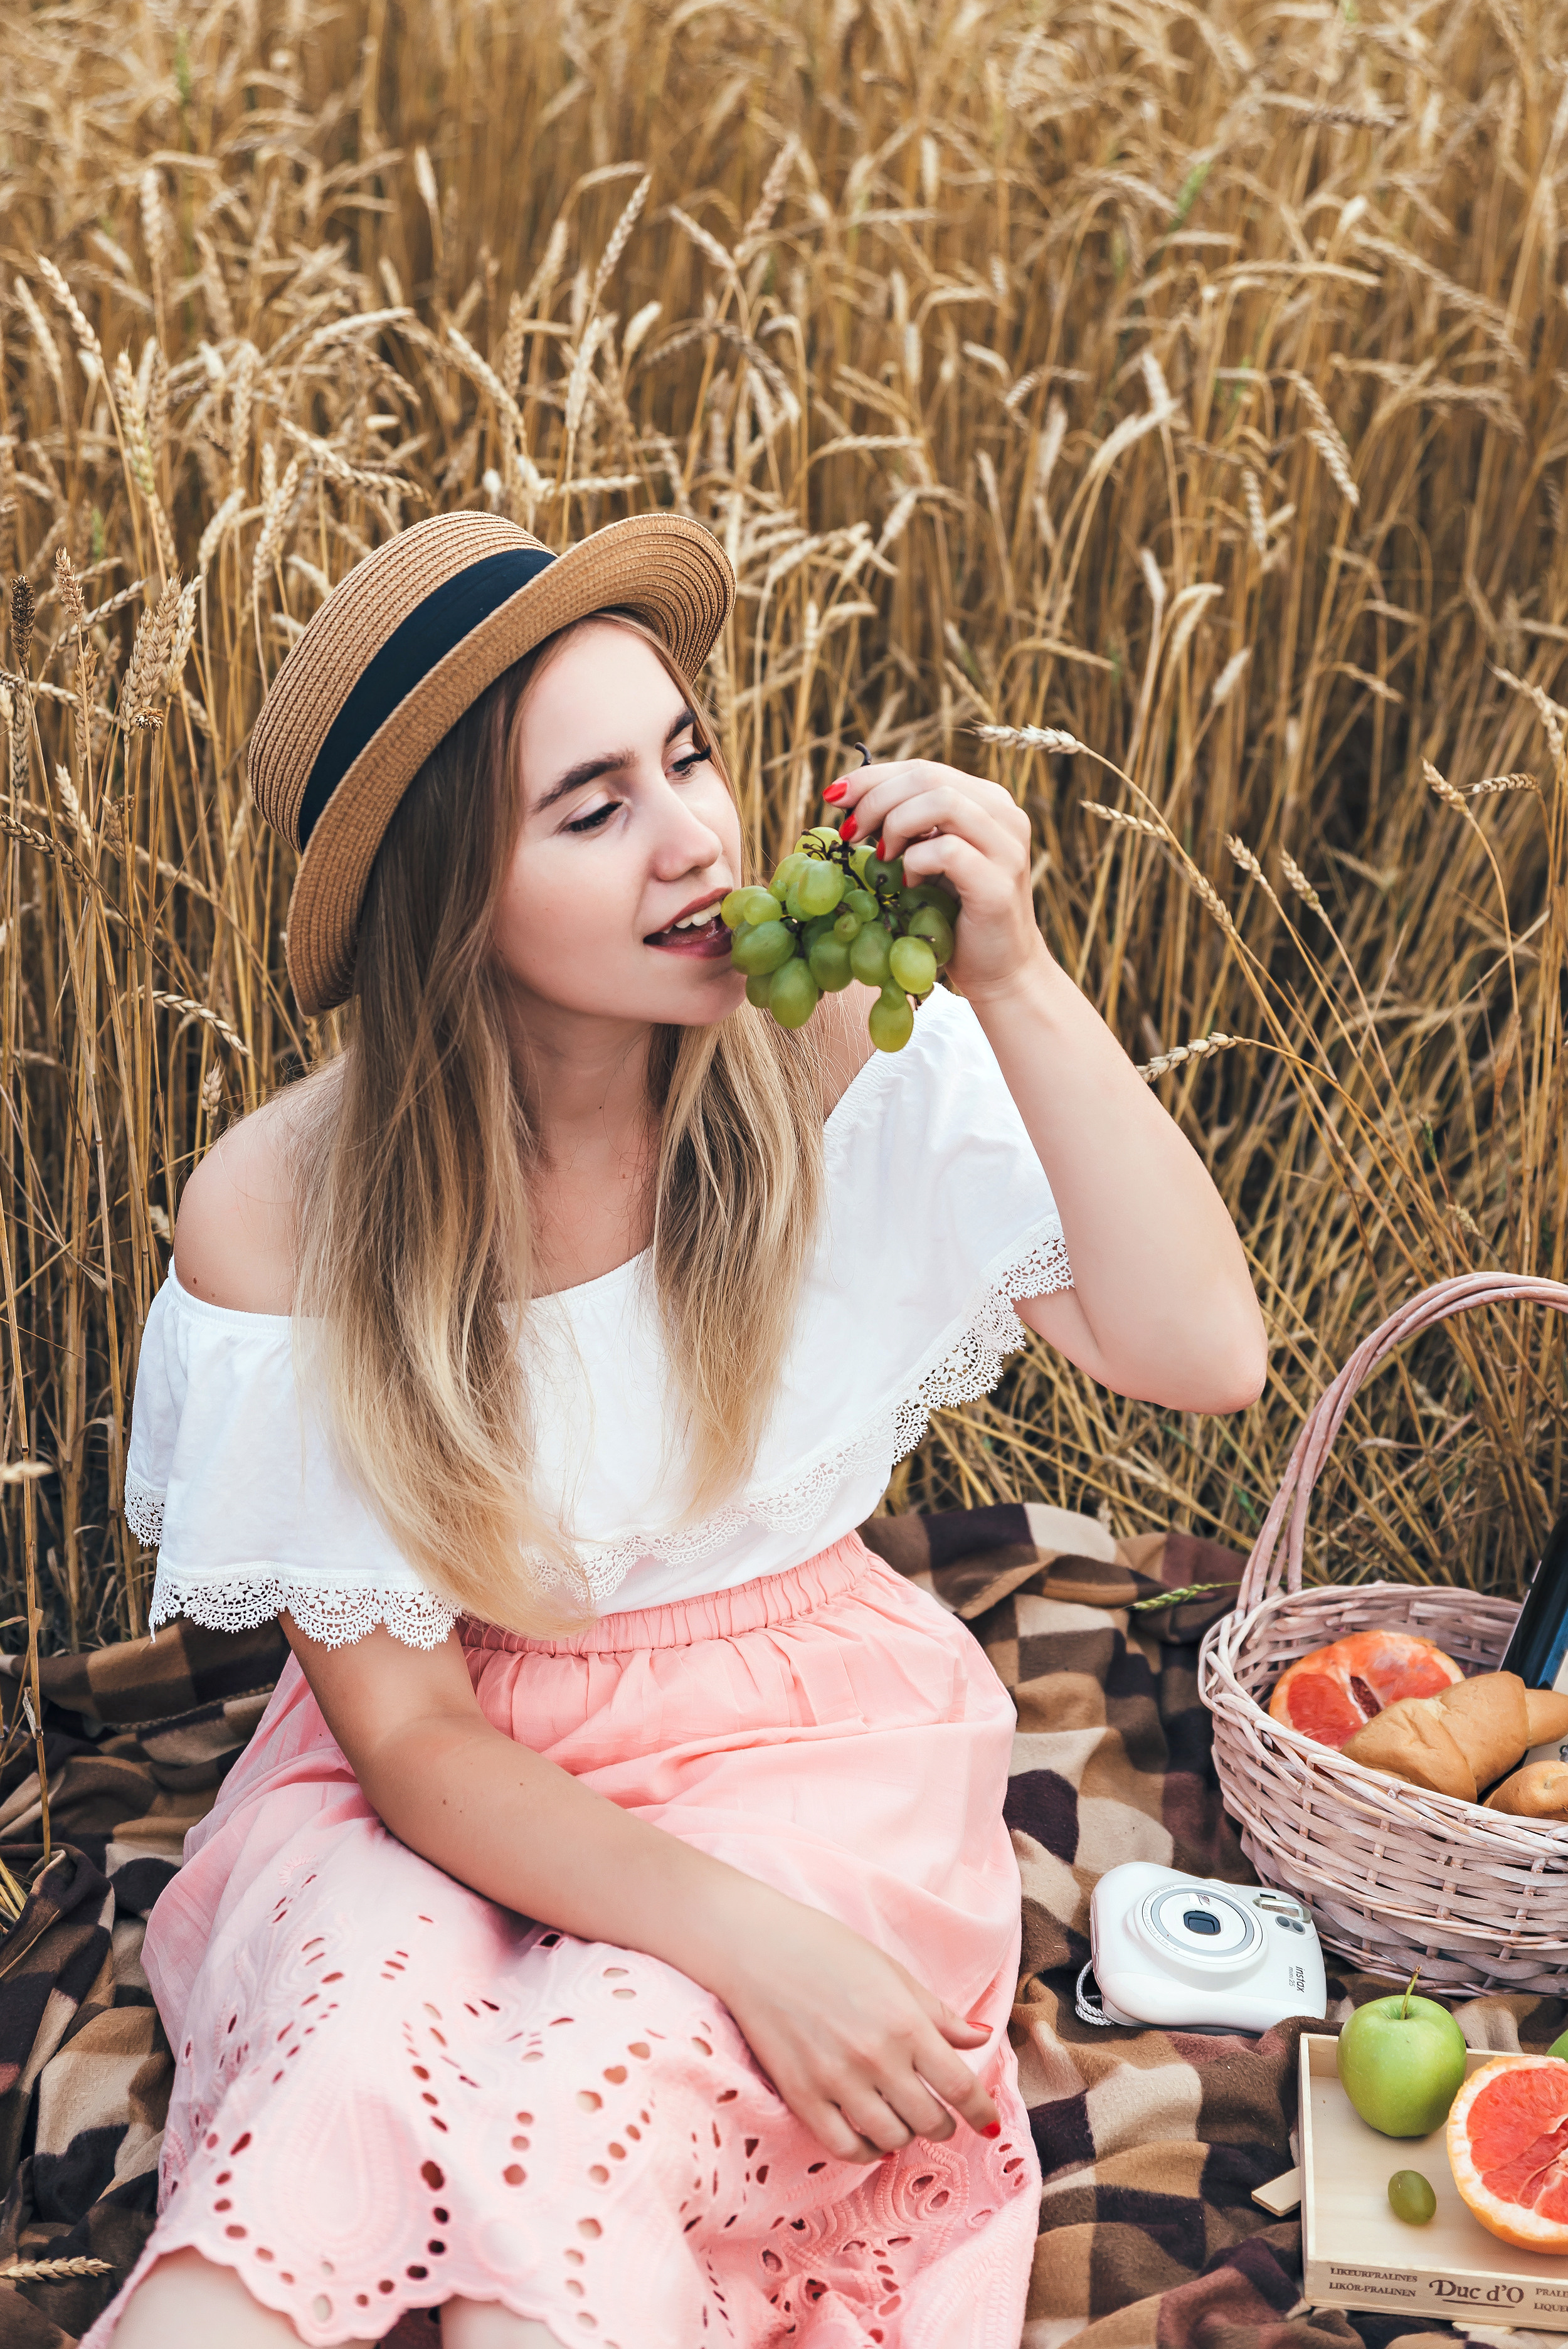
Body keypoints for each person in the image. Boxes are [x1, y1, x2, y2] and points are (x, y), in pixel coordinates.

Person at [88, 509, 1266, 2349]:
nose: (700, 836)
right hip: (444, 1776)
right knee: (323, 2117)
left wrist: (1014, 976)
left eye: (687, 755)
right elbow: (405, 1728)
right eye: (592, 806)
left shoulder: (838, 1046)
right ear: (445, 898)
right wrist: (736, 1935)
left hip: (801, 1752)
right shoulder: (284, 1210)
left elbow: (1199, 1350)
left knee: (577, 2139)